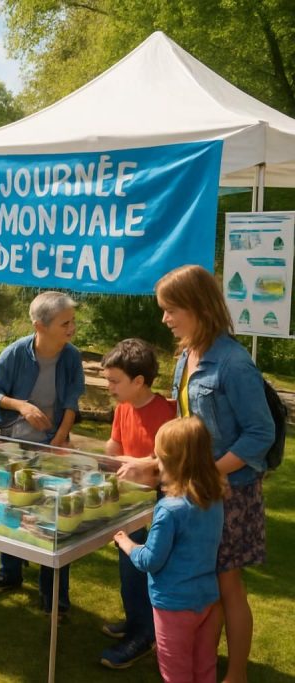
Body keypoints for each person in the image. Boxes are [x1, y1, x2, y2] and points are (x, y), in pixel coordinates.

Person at [156, 264, 273, 683]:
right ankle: (203, 663)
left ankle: (236, 673)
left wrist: (214, 470)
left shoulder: (234, 363)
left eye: (171, 310)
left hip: (231, 491)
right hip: (196, 488)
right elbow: (184, 424)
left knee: (228, 585)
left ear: (198, 307)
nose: (165, 319)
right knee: (204, 581)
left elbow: (261, 432)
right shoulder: (186, 356)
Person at [0, 291, 85, 616]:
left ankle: (54, 596)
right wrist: (22, 406)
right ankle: (10, 573)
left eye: (72, 322)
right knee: (13, 510)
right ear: (40, 326)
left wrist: (60, 439)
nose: (72, 328)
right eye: (65, 323)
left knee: (54, 518)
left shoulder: (71, 357)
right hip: (13, 444)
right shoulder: (14, 353)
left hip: (52, 447)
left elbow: (71, 402)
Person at [114, 416, 225, 683]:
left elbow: (151, 560)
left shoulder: (168, 509)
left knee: (175, 672)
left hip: (174, 604)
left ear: (171, 462)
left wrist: (126, 543)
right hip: (206, 597)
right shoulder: (214, 499)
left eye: (159, 457)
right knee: (204, 666)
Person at [98, 338, 177, 669]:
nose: (109, 387)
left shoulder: (169, 413)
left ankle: (144, 636)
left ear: (139, 381)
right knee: (127, 566)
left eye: (115, 381)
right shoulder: (121, 409)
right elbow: (114, 447)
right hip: (128, 501)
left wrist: (137, 463)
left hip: (158, 502)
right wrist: (107, 456)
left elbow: (163, 462)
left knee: (144, 567)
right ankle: (135, 623)